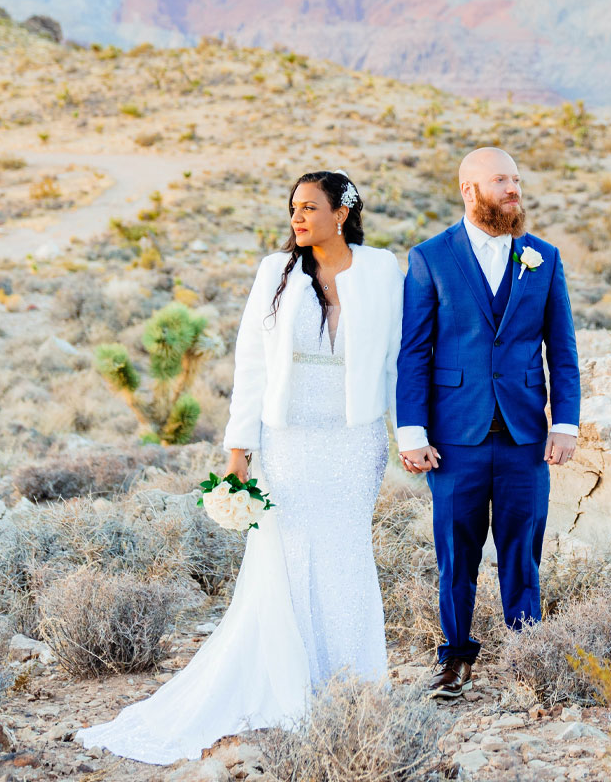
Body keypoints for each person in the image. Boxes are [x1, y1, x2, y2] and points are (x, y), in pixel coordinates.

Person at [77, 170, 402, 763]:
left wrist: (409, 433)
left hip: (355, 441)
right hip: (289, 440)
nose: (297, 218)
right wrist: (237, 451)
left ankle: (354, 684)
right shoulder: (273, 274)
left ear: (343, 212)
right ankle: (290, 687)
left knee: (346, 553)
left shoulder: (382, 270)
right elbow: (250, 364)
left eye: (309, 207)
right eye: (293, 208)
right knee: (287, 555)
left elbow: (397, 356)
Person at [396, 147, 581, 699]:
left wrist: (565, 423)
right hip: (455, 438)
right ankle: (455, 658)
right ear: (469, 189)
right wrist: (412, 431)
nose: (513, 189)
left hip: (527, 436)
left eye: (517, 179)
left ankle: (530, 654)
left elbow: (562, 350)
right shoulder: (430, 257)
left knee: (523, 547)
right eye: (501, 179)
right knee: (456, 551)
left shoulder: (543, 258)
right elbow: (415, 352)